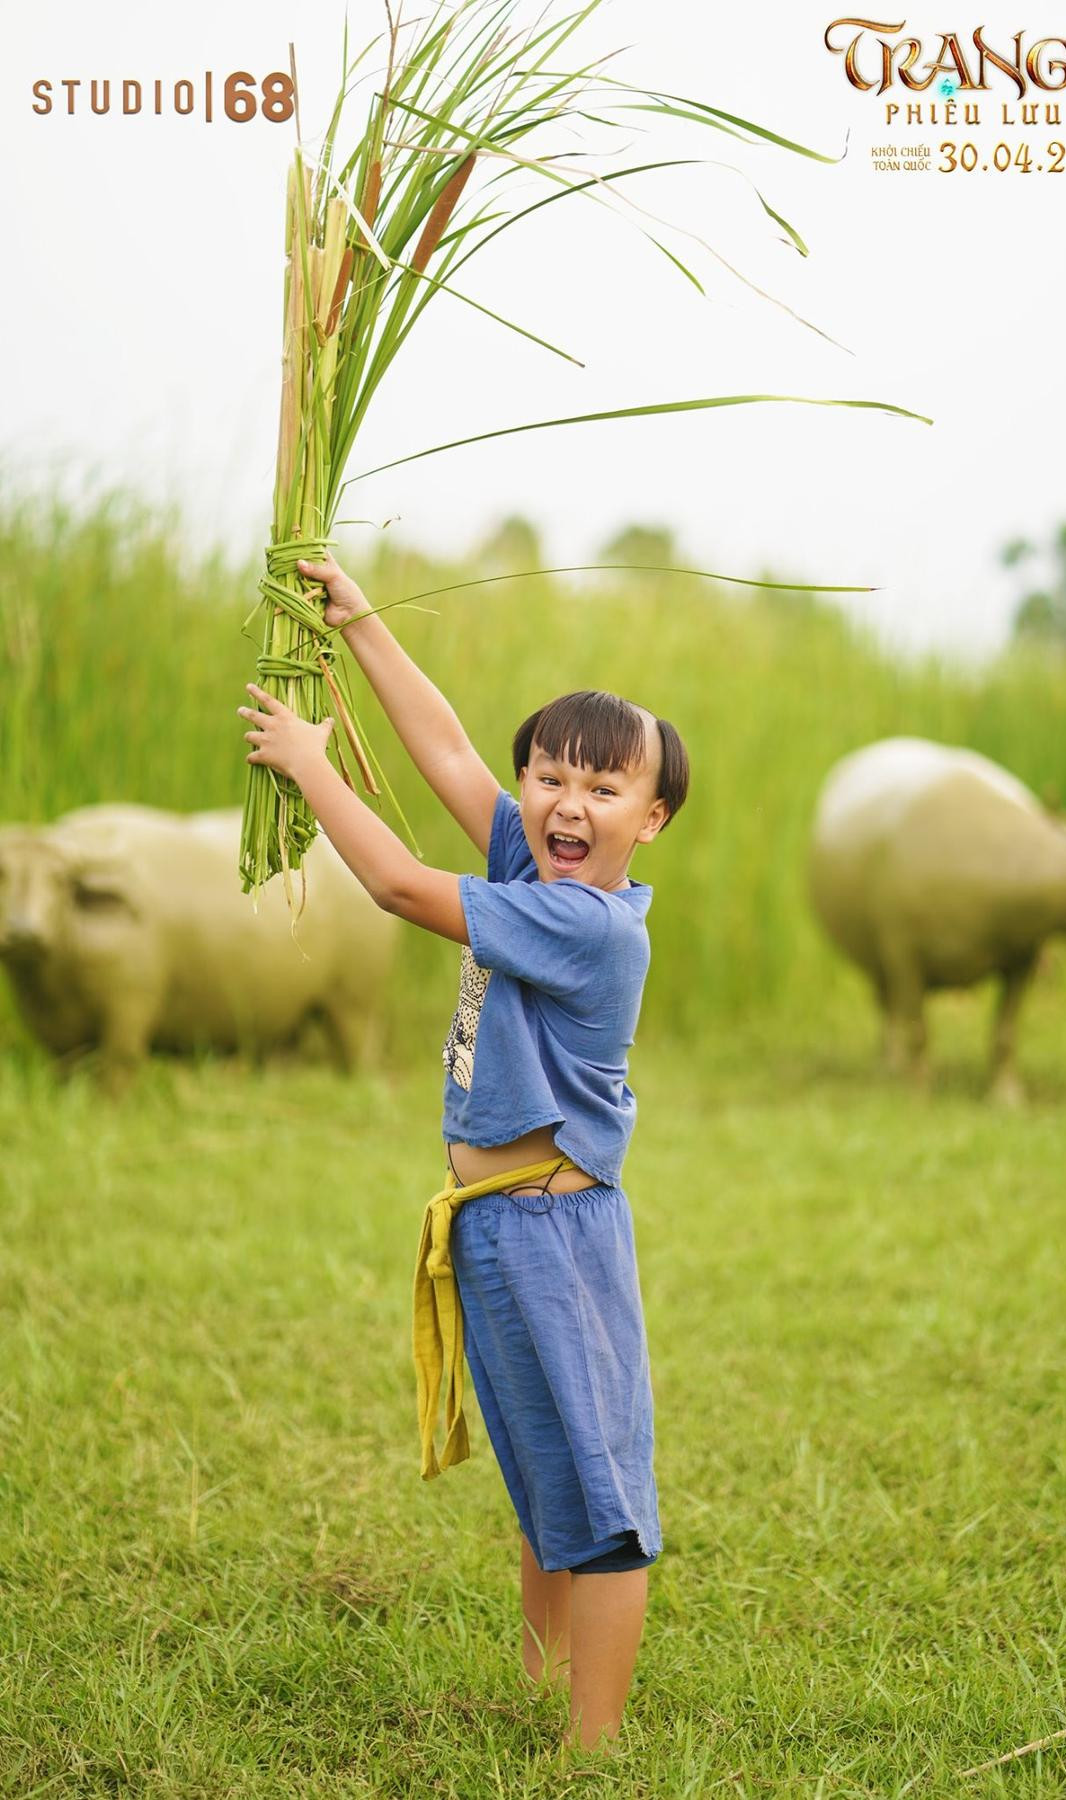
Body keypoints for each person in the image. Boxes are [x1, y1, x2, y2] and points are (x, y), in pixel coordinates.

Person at [235, 552, 689, 1753]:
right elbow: (444, 754)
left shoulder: (585, 924)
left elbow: (390, 881)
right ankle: (541, 1694)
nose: (564, 805)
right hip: (492, 1220)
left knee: (597, 1497)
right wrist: (363, 622)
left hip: (554, 1227)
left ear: (651, 819)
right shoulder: (529, 867)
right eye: (548, 776)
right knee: (543, 1487)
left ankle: (594, 1745)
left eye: (602, 788)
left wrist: (312, 765)